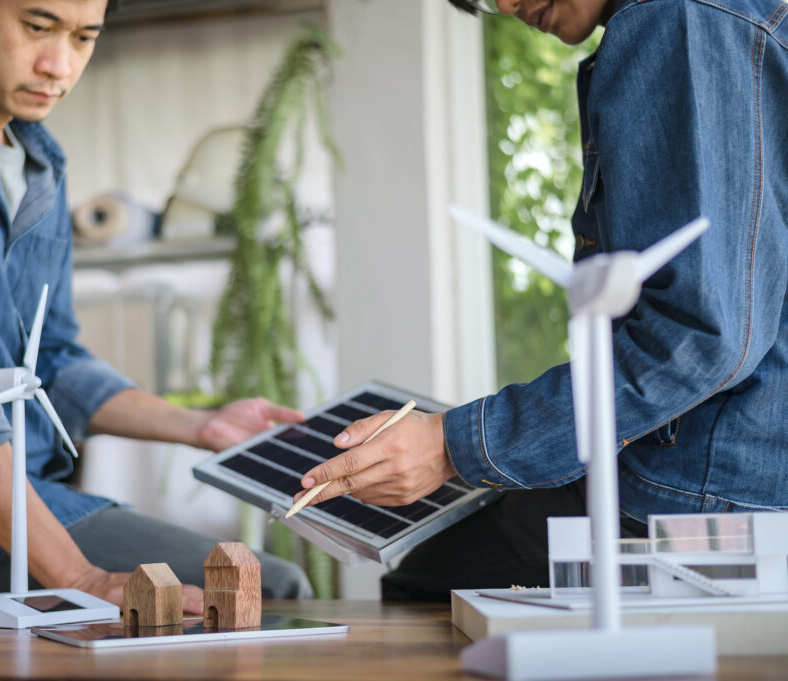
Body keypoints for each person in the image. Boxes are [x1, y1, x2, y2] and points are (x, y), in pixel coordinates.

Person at [0, 0, 312, 611]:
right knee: (273, 590)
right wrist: (81, 577)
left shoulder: (43, 162)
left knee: (263, 586)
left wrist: (200, 425)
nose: (58, 65)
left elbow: (54, 361)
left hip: (28, 494)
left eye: (83, 38)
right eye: (37, 28)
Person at [293, 0, 788, 600]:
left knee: (427, 590)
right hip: (727, 472)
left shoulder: (677, 19)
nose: (504, 5)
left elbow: (700, 338)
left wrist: (454, 446)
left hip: (701, 495)